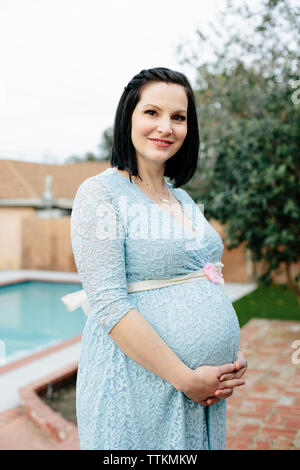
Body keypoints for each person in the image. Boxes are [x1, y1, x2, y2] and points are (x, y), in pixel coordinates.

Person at [69, 67, 247, 450]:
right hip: (141, 387)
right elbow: (110, 305)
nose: (166, 127)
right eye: (152, 112)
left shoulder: (180, 197)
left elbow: (202, 277)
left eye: (178, 117)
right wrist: (186, 378)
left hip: (201, 391)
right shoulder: (100, 194)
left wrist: (231, 354)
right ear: (128, 117)